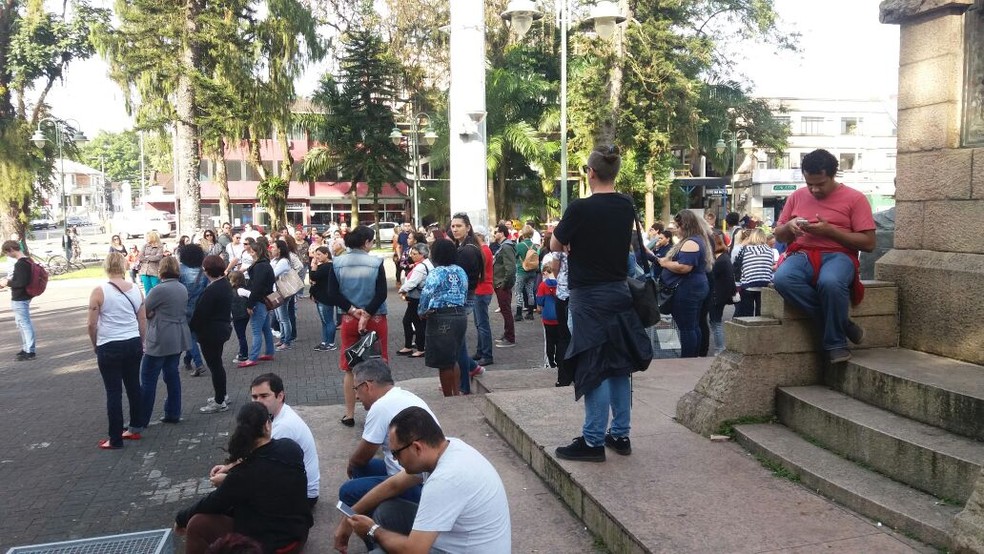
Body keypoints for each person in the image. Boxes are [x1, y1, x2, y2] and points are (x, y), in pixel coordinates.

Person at [550, 145, 652, 462]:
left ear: (590, 173)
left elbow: (555, 243)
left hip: (589, 296)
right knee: (620, 364)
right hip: (619, 292)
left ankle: (593, 441)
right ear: (615, 172)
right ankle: (620, 434)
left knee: (594, 366)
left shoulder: (581, 208)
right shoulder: (626, 204)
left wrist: (568, 239)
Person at [339, 407, 511, 554]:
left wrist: (372, 531)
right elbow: (393, 485)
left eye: (396, 453)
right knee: (387, 511)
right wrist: (349, 516)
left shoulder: (445, 480)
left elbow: (415, 551)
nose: (396, 460)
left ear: (416, 447)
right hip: (459, 540)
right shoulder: (446, 447)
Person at [773, 148, 875, 364]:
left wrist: (831, 232)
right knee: (782, 279)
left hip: (839, 255)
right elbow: (779, 235)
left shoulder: (856, 199)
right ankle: (843, 324)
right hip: (802, 254)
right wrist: (789, 226)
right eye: (809, 183)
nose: (814, 189)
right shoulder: (797, 196)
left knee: (830, 282)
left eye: (820, 184)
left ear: (833, 175)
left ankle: (835, 344)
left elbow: (869, 243)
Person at [174, 402, 312, 554]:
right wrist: (230, 473)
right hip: (298, 536)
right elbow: (267, 469)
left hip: (269, 547)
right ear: (267, 425)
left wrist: (181, 518)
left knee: (196, 523)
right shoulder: (290, 447)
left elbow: (211, 503)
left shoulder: (242, 475)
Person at [336, 361, 437, 515]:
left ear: (367, 386)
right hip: (421, 476)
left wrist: (351, 463)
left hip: (415, 484)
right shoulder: (403, 395)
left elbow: (360, 458)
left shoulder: (380, 407)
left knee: (347, 491)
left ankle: (379, 524)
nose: (356, 396)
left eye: (356, 389)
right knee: (363, 468)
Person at [210, 374, 320, 506]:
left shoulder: (283, 426)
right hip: (295, 487)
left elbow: (258, 464)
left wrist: (228, 479)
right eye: (254, 397)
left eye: (264, 396)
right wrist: (228, 467)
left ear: (280, 396)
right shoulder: (276, 415)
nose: (258, 402)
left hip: (304, 496)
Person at [327, 225, 389, 426]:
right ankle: (380, 413)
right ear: (367, 243)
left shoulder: (336, 262)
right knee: (380, 366)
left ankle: (350, 414)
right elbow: (381, 293)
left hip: (348, 320)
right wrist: (367, 313)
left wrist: (354, 311)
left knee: (349, 369)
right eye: (371, 241)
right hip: (376, 319)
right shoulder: (376, 262)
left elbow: (333, 293)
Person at [87, 252, 146, 449]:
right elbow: (142, 320)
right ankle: (136, 427)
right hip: (132, 341)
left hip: (109, 343)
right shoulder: (136, 290)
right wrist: (141, 341)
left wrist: (95, 344)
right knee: (133, 386)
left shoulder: (99, 291)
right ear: (124, 266)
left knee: (113, 392)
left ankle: (115, 437)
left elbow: (91, 324)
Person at [131, 256, 189, 432]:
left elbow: (144, 310)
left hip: (161, 336)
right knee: (172, 375)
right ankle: (173, 412)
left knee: (148, 379)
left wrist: (151, 314)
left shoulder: (159, 290)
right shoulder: (182, 287)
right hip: (178, 335)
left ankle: (141, 418)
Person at [658, 210, 713, 358]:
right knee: (693, 326)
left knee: (687, 328)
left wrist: (666, 263)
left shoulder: (691, 242)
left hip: (687, 289)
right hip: (694, 287)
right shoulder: (698, 240)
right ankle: (694, 357)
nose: (676, 229)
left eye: (678, 225)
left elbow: (684, 267)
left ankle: (688, 359)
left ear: (686, 225)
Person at [417, 238, 468, 397]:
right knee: (454, 358)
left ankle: (449, 398)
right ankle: (456, 392)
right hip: (460, 315)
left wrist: (422, 312)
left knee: (444, 362)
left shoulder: (436, 272)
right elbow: (465, 292)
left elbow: (426, 295)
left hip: (442, 318)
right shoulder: (460, 271)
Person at [448, 213, 486, 392]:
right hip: (465, 297)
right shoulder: (466, 247)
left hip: (462, 298)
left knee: (458, 343)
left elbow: (462, 279)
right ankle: (471, 369)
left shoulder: (467, 250)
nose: (455, 229)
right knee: (458, 341)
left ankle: (464, 383)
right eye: (453, 226)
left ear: (468, 227)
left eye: (459, 226)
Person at [192, 255, 233, 414]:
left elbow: (201, 313)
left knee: (215, 366)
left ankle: (219, 400)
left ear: (207, 271)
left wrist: (193, 327)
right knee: (217, 364)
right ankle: (221, 394)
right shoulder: (224, 284)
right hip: (220, 329)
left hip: (210, 332)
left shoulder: (213, 289)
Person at [237, 236, 276, 368]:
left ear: (256, 252)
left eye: (252, 251)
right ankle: (269, 352)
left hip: (259, 300)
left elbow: (257, 287)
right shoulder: (266, 264)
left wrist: (250, 304)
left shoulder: (260, 266)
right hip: (264, 300)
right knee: (265, 329)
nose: (249, 252)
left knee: (256, 331)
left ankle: (252, 357)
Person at [0, 240, 37, 361]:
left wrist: (7, 282)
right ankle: (26, 347)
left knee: (24, 324)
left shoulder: (20, 264)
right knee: (21, 323)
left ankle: (30, 350)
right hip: (23, 296)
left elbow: (21, 282)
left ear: (11, 250)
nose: (7, 255)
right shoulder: (27, 260)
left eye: (7, 253)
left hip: (20, 297)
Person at [397, 243, 432, 358]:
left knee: (416, 323)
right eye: (412, 253)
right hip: (420, 297)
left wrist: (402, 290)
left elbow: (412, 282)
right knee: (411, 321)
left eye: (415, 253)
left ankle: (420, 348)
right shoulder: (427, 264)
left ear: (422, 254)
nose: (411, 255)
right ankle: (411, 346)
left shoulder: (421, 267)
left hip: (416, 298)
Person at [733, 228, 777, 318]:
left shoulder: (744, 250)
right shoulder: (769, 251)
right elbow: (770, 266)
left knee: (746, 316)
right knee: (761, 315)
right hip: (764, 285)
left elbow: (738, 266)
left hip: (747, 285)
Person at [179, 244, 208, 376]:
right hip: (200, 307)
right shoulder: (203, 271)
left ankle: (198, 363)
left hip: (185, 307)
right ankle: (187, 359)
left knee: (189, 336)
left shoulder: (181, 270)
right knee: (193, 335)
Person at [470, 225, 495, 366]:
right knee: (480, 323)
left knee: (482, 324)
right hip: (482, 289)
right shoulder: (485, 250)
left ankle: (486, 353)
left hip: (482, 289)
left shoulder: (483, 251)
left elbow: (478, 272)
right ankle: (481, 351)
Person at [708, 231, 737, 355]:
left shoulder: (720, 261)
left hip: (717, 296)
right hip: (719, 295)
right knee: (715, 322)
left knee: (716, 322)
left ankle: (720, 348)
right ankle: (720, 348)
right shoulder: (724, 258)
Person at [491, 224, 517, 349]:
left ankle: (510, 337)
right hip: (501, 283)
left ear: (501, 233)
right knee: (505, 310)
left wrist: (504, 284)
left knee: (506, 310)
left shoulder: (506, 247)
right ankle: (507, 334)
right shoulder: (504, 246)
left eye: (496, 232)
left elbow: (511, 269)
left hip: (502, 284)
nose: (494, 234)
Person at [308, 245, 338, 352]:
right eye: (316, 255)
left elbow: (313, 277)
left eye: (319, 254)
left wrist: (314, 267)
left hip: (325, 298)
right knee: (324, 321)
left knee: (328, 320)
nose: (317, 257)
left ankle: (330, 343)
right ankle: (325, 341)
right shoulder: (326, 266)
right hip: (322, 297)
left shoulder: (327, 266)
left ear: (326, 254)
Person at [536, 264, 564, 378]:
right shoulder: (561, 284)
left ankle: (551, 363)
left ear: (547, 272)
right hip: (559, 317)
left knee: (550, 341)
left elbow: (540, 301)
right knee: (560, 341)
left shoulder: (543, 285)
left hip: (547, 317)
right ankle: (559, 361)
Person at [271, 239, 298, 351]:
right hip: (275, 291)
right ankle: (283, 339)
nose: (271, 249)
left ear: (279, 249)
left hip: (282, 291)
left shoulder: (283, 261)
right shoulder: (276, 260)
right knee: (279, 317)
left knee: (283, 317)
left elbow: (273, 274)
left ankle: (287, 341)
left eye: (273, 247)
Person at [514, 225, 538, 321]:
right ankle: (530, 313)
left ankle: (519, 314)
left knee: (518, 292)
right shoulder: (534, 246)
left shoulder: (519, 245)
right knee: (530, 291)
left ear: (523, 234)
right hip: (532, 272)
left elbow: (515, 257)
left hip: (521, 271)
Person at [228, 271, 251, 362]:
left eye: (230, 279)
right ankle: (242, 352)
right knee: (241, 335)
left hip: (239, 316)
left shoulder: (240, 290)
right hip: (242, 315)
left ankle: (244, 355)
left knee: (241, 336)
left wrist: (250, 306)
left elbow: (251, 295)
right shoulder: (239, 289)